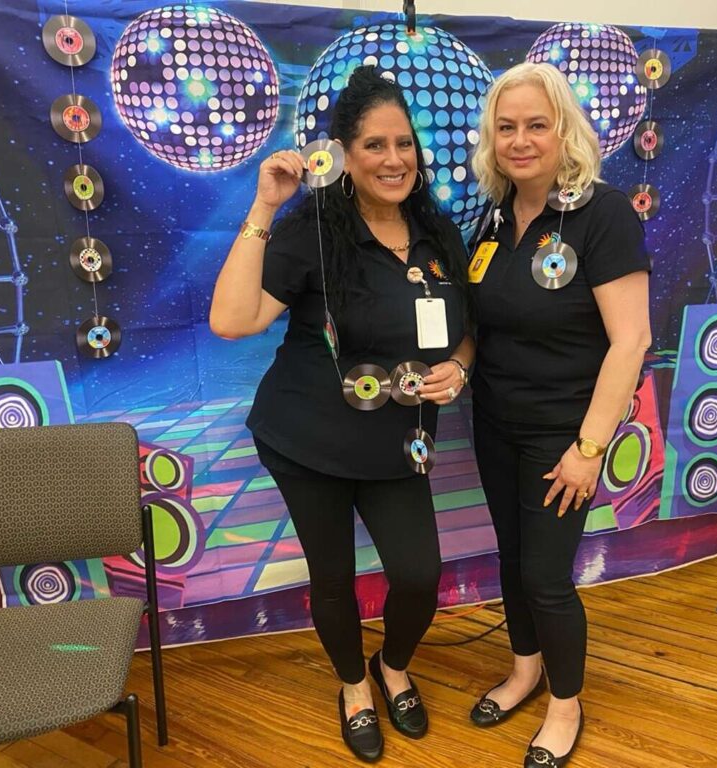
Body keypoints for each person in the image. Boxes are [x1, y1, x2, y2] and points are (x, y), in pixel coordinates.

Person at [210, 66, 473, 763]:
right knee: (332, 580)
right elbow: (232, 319)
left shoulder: (438, 233)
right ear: (346, 156)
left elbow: (465, 327)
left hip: (398, 446)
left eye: (404, 144)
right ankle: (354, 686)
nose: (394, 159)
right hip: (309, 441)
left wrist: (462, 366)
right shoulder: (312, 231)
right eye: (374, 146)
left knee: (417, 576)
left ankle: (393, 667)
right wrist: (265, 206)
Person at [466, 62, 652, 768]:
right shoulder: (491, 217)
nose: (520, 140)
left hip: (563, 435)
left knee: (546, 576)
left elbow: (630, 340)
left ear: (564, 130)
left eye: (536, 125)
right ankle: (524, 671)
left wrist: (589, 448)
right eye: (506, 127)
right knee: (513, 564)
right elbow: (485, 323)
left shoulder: (601, 214)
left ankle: (565, 704)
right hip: (494, 423)